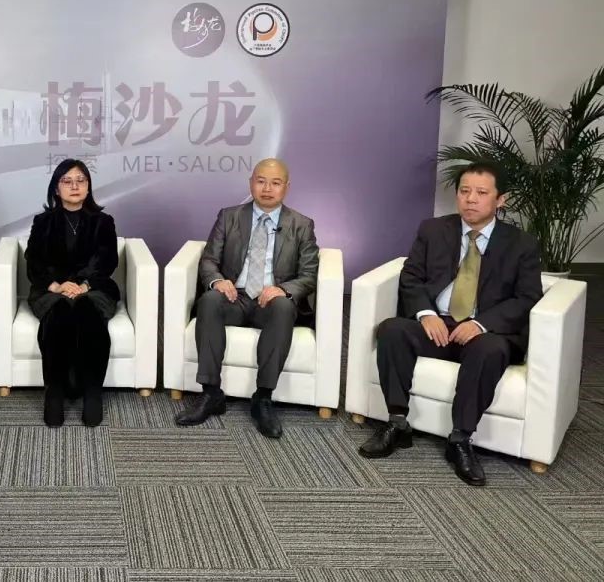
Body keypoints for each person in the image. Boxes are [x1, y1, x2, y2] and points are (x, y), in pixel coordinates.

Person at [359, 162, 542, 486]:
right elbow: (411, 277)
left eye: (481, 193)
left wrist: (481, 324)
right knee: (392, 330)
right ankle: (397, 423)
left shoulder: (521, 243)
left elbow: (527, 297)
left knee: (490, 349)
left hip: (484, 332)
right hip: (438, 325)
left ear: (501, 199)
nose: (470, 199)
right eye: (464, 191)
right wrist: (426, 314)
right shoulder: (433, 230)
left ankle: (460, 439)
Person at [175, 158, 319, 438]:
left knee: (283, 306)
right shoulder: (228, 216)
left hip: (271, 301)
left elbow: (309, 274)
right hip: (235, 297)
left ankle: (263, 397)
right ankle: (211, 393)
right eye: (261, 181)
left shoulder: (301, 225)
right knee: (209, 300)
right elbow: (209, 260)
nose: (267, 188)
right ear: (251, 183)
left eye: (275, 183)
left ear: (286, 187)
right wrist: (218, 281)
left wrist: (283, 289)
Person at [25, 158, 120, 427]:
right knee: (59, 312)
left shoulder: (103, 222)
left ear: (88, 187)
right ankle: (54, 392)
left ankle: (92, 393)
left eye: (81, 180)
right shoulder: (43, 222)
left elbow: (107, 261)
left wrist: (84, 285)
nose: (75, 186)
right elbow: (34, 262)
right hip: (51, 289)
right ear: (56, 189)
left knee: (87, 310)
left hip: (94, 288)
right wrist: (57, 285)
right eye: (67, 181)